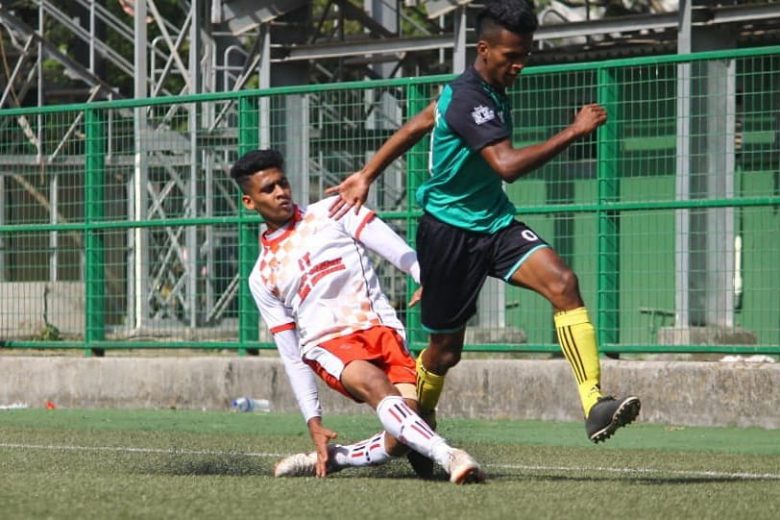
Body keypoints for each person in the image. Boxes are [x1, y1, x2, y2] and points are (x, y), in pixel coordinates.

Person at [326, 0, 640, 448]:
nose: (519, 65)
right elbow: (506, 165)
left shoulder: (481, 90)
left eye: (525, 54)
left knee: (563, 283)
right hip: (448, 234)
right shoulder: (470, 95)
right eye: (511, 56)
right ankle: (418, 422)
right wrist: (573, 132)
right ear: (483, 49)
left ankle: (595, 403)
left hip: (494, 222)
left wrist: (367, 173)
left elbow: (419, 123)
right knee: (445, 352)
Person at [230, 148, 485, 484]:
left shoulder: (336, 211)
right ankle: (449, 455)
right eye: (268, 189)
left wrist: (427, 279)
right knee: (379, 389)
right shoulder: (261, 276)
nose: (281, 193)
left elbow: (398, 252)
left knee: (403, 435)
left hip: (382, 331)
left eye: (283, 183)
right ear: (250, 202)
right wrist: (313, 420)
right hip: (328, 345)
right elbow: (291, 355)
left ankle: (342, 456)